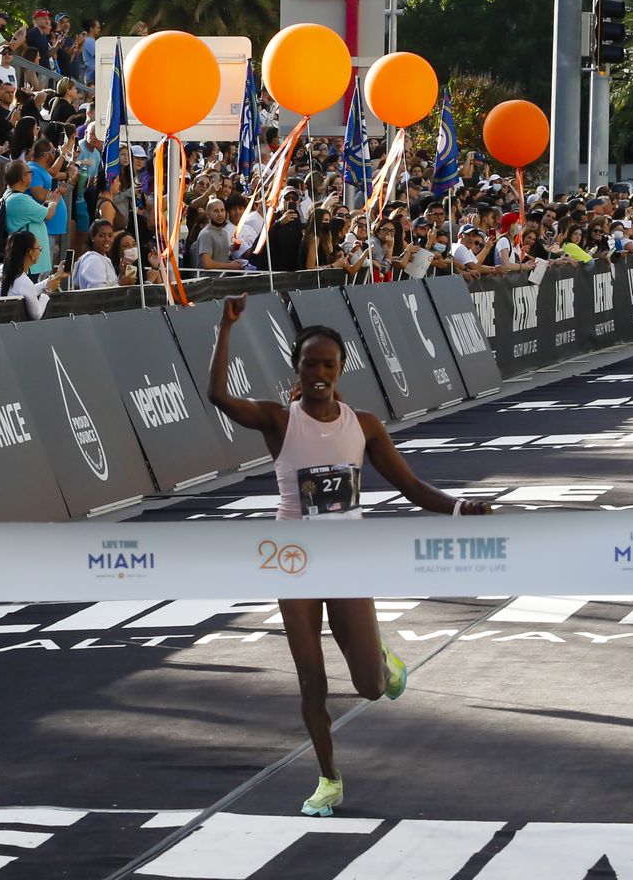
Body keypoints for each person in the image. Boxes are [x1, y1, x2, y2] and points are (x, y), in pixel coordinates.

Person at [206, 295, 490, 819]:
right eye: (309, 363)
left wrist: (458, 508)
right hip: (292, 557)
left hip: (347, 558)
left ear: (341, 369)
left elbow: (410, 486)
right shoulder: (278, 420)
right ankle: (329, 778)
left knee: (369, 687)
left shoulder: (364, 425)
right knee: (311, 677)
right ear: (295, 367)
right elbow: (219, 395)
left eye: (327, 364)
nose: (318, 372)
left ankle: (381, 660)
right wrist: (225, 328)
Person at [1, 160, 58, 278]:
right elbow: (49, 214)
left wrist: (48, 202)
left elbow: (36, 213)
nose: (32, 175)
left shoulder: (12, 195)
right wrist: (53, 202)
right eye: (30, 172)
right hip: (28, 259)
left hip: (30, 258)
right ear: (23, 177)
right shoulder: (20, 199)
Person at [0, 229, 65, 319]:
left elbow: (29, 290)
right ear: (31, 252)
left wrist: (57, 276)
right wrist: (47, 292)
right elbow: (37, 315)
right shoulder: (23, 281)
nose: (40, 252)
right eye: (39, 248)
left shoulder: (2, 270)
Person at [72, 219, 119, 289]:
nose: (107, 239)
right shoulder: (93, 261)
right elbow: (98, 292)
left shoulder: (102, 258)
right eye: (101, 236)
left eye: (110, 235)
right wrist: (121, 283)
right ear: (92, 237)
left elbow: (110, 284)